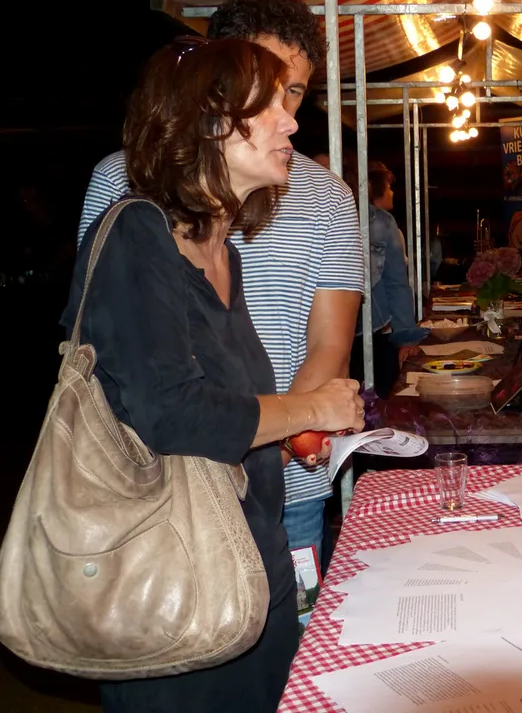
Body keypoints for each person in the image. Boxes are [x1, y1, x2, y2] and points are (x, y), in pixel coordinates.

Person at [63, 36, 366, 713]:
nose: (292, 123)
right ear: (206, 122)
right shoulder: (139, 236)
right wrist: (312, 409)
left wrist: (292, 429)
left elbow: (233, 407)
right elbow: (175, 412)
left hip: (253, 564)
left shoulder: (220, 250)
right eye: (269, 106)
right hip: (172, 585)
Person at [330, 156, 427, 397]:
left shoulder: (379, 221)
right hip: (313, 342)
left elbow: (397, 283)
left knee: (376, 406)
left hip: (369, 337)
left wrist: (405, 338)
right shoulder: (295, 222)